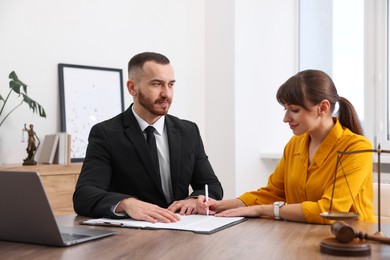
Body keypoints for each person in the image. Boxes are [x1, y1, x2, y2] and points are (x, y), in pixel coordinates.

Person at [197, 69, 376, 224]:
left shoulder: (356, 147)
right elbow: (272, 193)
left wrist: (263, 210)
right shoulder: (295, 144)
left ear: (323, 107)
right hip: (300, 237)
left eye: (294, 110)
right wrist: (220, 205)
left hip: (349, 243)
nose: (286, 118)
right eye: (285, 109)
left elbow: (329, 210)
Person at [73, 52, 223, 223]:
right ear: (132, 88)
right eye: (157, 84)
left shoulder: (188, 131)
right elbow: (84, 195)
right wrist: (126, 203)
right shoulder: (106, 133)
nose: (166, 93)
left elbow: (211, 186)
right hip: (132, 238)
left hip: (181, 232)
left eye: (171, 84)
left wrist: (193, 200)